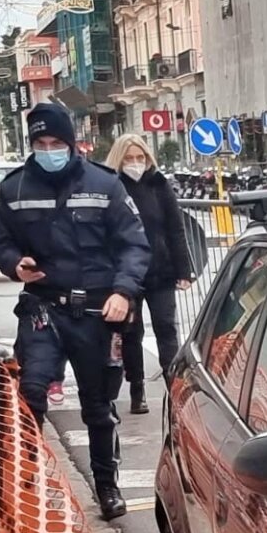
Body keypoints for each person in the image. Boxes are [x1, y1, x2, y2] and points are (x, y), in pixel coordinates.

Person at [0, 102, 151, 520]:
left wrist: (123, 292)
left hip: (99, 311)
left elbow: (134, 245)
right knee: (31, 395)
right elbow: (2, 242)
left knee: (98, 407)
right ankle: (25, 485)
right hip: (44, 306)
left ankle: (107, 487)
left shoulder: (105, 184)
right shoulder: (15, 189)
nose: (48, 150)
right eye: (40, 143)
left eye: (55, 142)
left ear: (71, 142)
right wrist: (14, 263)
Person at [105, 133, 193, 417]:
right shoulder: (112, 187)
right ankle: (137, 388)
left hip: (161, 270)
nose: (135, 163)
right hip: (126, 274)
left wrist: (183, 269)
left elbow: (176, 228)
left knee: (167, 327)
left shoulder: (159, 184)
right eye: (129, 158)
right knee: (131, 332)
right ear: (119, 159)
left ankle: (174, 387)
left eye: (140, 157)